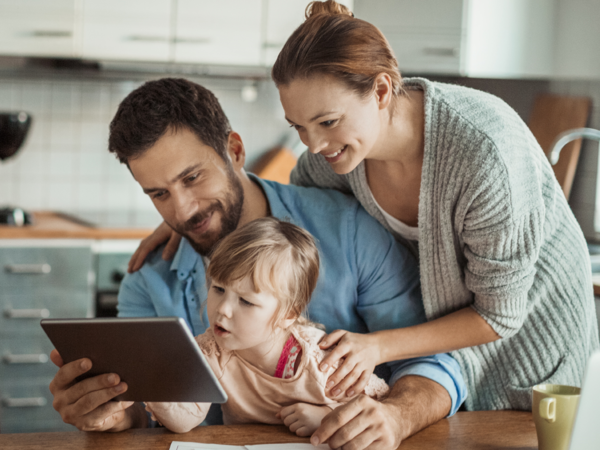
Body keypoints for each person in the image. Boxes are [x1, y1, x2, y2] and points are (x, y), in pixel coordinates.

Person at [48, 77, 466, 450]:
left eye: (192, 178)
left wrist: (398, 414)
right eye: (159, 194)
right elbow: (146, 414)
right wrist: (111, 414)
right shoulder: (149, 281)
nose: (183, 210)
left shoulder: (349, 231)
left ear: (234, 150)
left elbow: (435, 361)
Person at [269, 0, 599, 416]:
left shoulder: (483, 153)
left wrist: (377, 346)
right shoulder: (332, 158)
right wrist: (195, 216)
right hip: (446, 365)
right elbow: (290, 208)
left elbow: (498, 317)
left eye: (328, 122)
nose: (313, 144)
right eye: (298, 126)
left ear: (382, 90)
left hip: (535, 364)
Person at [145, 216, 389, 435]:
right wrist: (152, 387)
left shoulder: (321, 361)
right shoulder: (211, 352)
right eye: (218, 289)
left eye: (246, 301)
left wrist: (328, 416)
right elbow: (188, 417)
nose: (222, 309)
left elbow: (380, 407)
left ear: (288, 314)